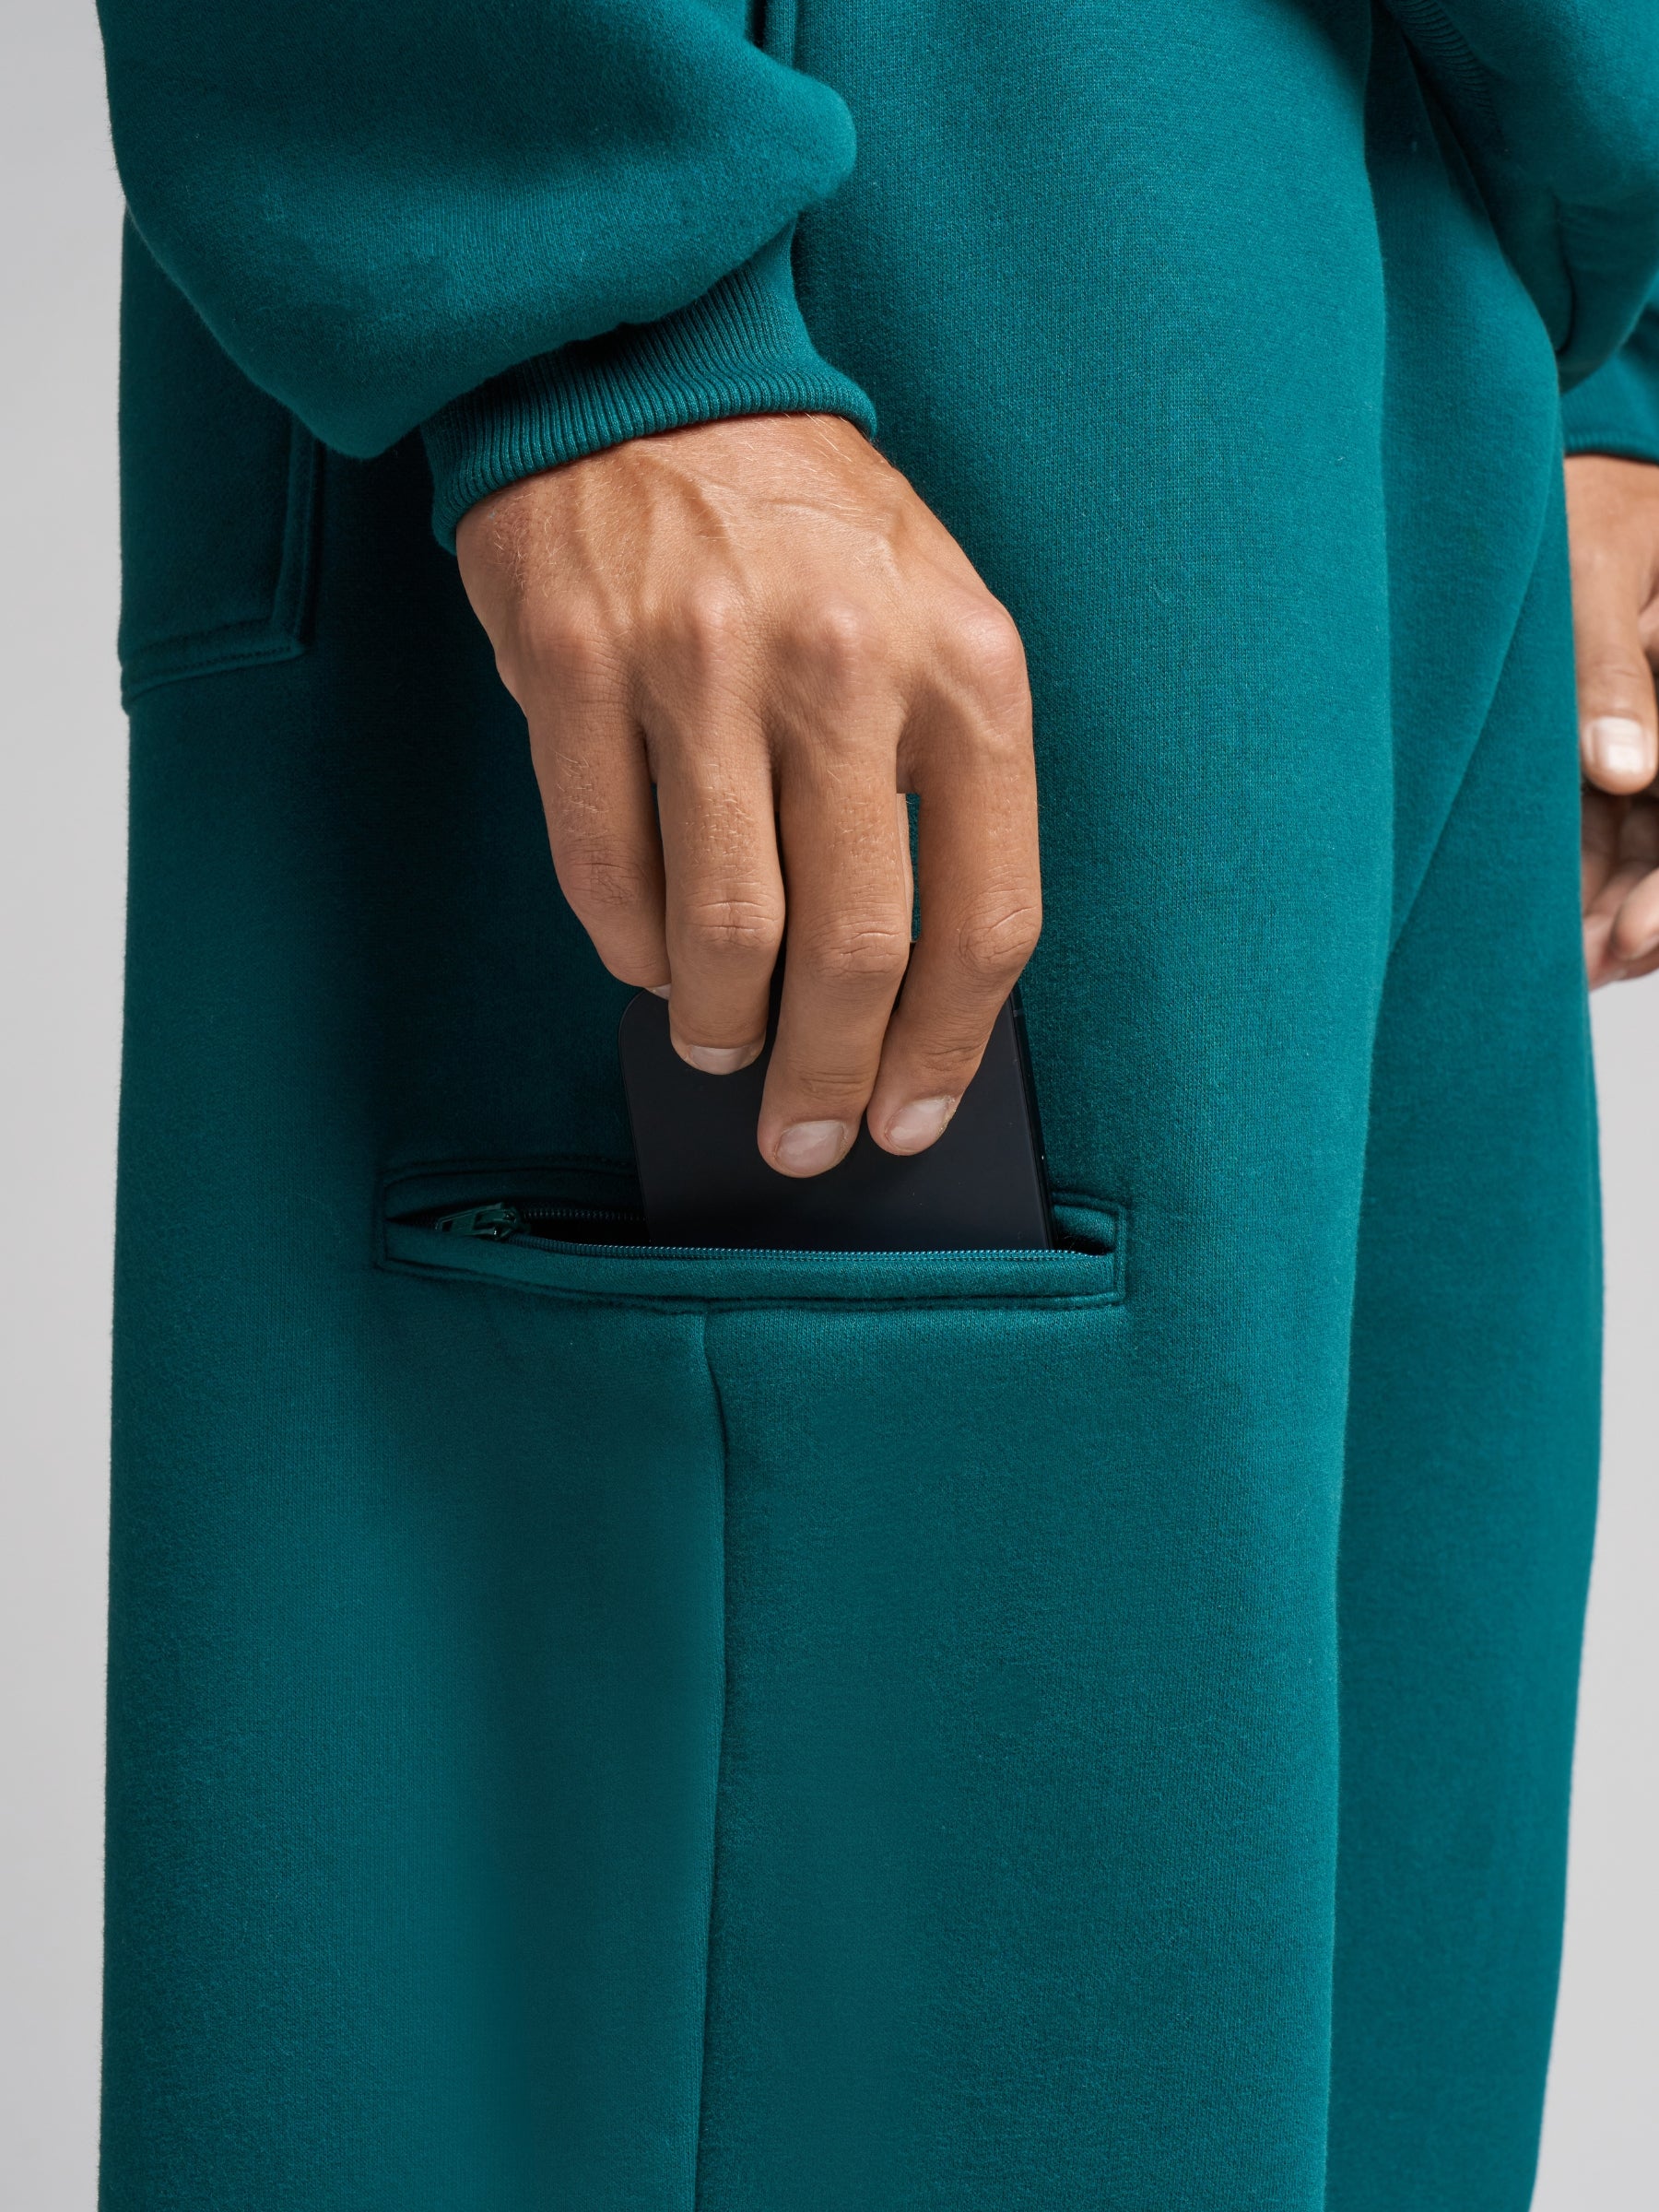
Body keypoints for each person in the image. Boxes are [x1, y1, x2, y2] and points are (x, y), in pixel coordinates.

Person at [91, 4, 1659, 2207]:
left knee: (1324, 2044)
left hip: (1431, 238)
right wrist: (583, 262)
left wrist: (1605, 368)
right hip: (842, 213)